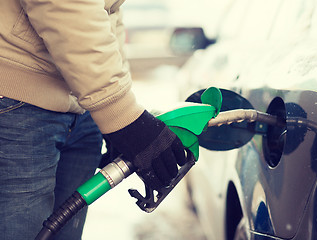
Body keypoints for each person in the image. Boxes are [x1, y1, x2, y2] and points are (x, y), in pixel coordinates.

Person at [0, 0, 187, 239]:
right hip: (19, 103)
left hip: (81, 107)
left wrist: (113, 110)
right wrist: (121, 114)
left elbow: (109, 12)